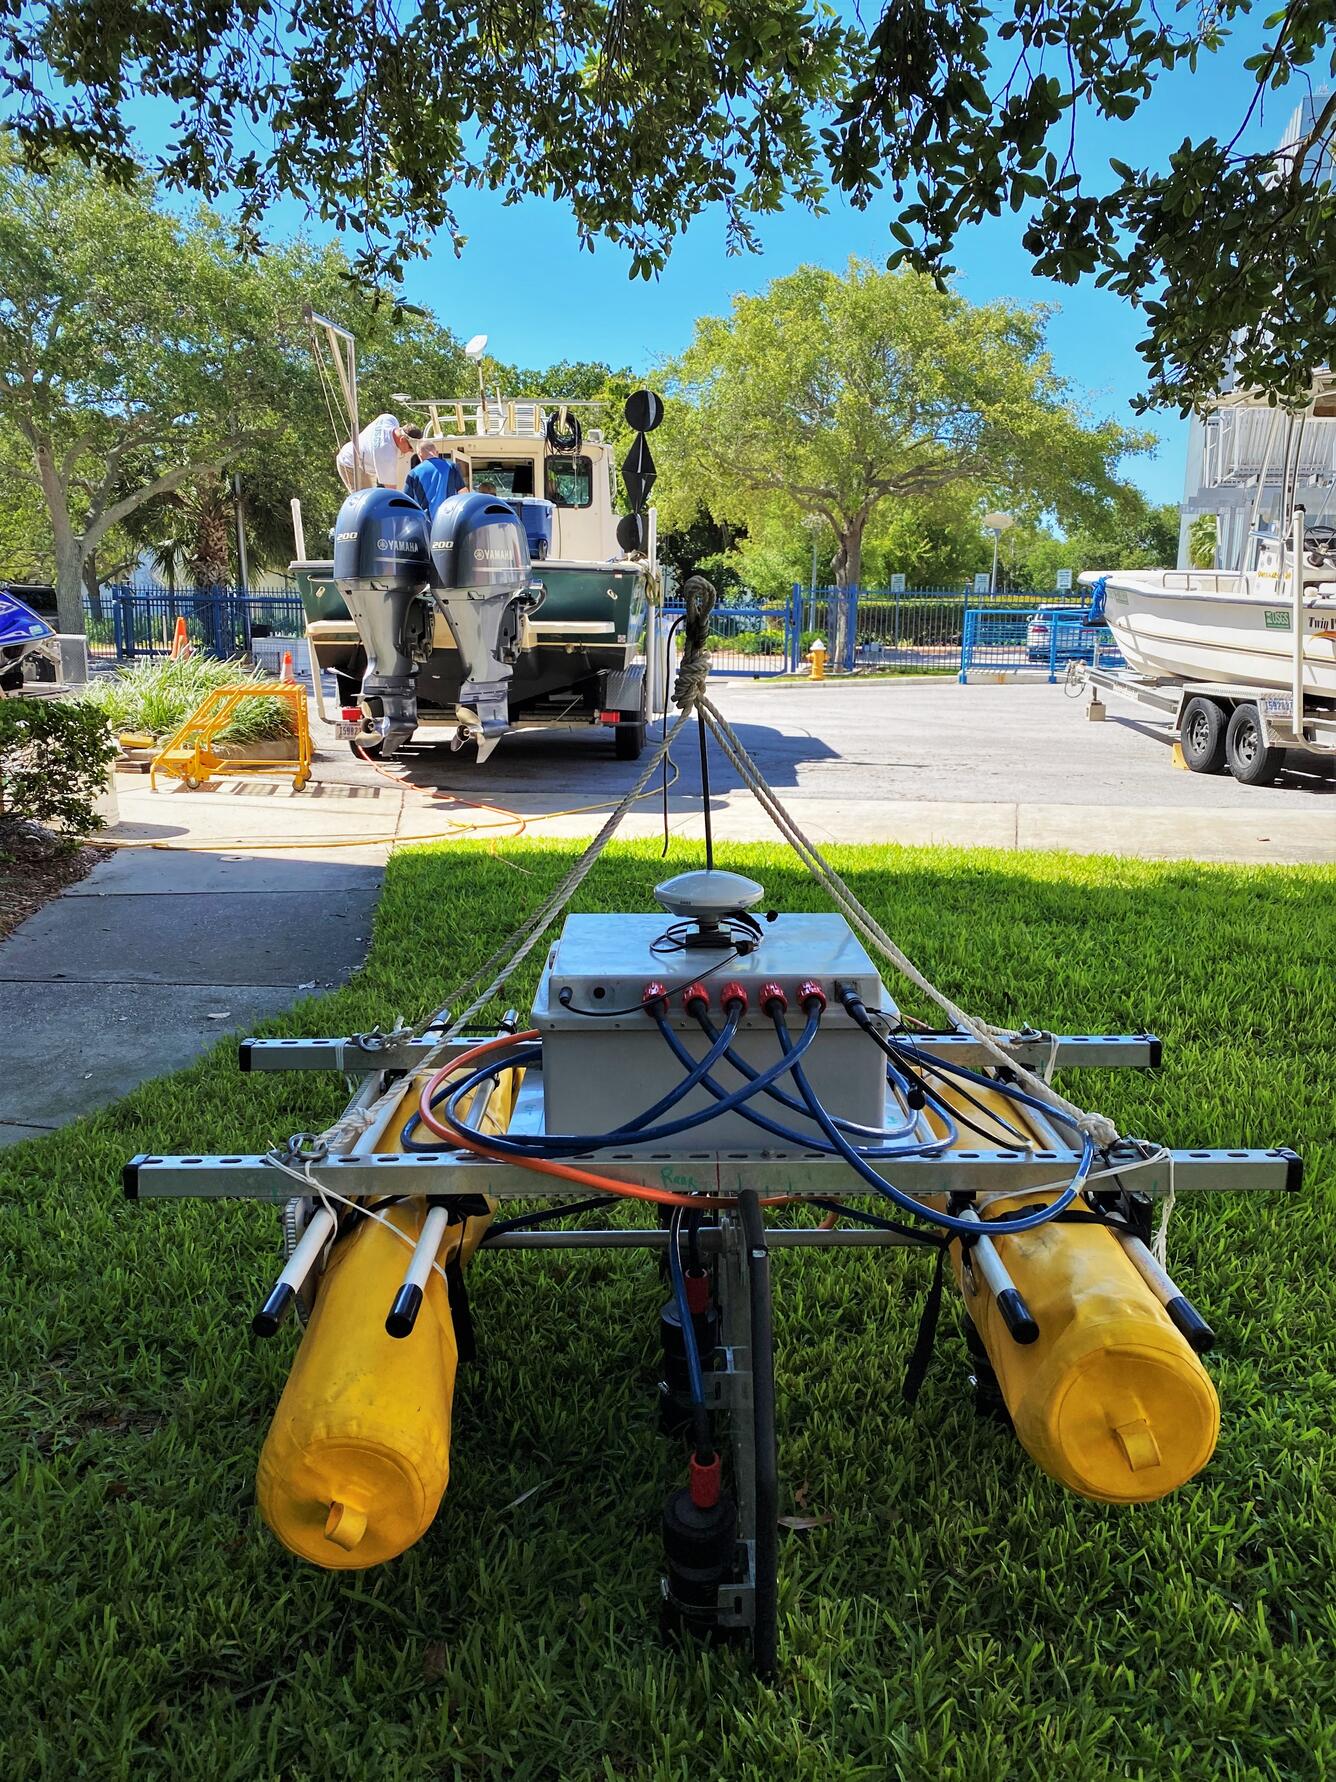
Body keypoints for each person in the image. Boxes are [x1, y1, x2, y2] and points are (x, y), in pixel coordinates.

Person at [335, 414, 424, 492]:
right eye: (410, 448)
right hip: (351, 464)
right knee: (365, 502)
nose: (411, 451)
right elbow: (391, 492)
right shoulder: (385, 455)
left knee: (373, 496)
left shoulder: (389, 419)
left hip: (362, 458)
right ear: (402, 440)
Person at [404, 439, 467, 523]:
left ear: (420, 455)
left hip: (424, 525)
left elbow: (406, 502)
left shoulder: (413, 473)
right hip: (447, 521)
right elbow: (463, 493)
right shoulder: (451, 467)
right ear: (436, 452)